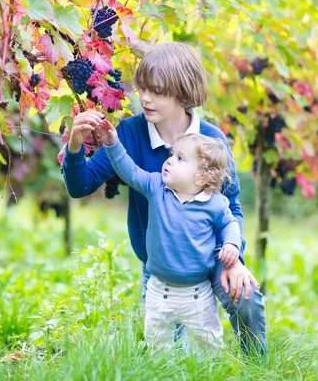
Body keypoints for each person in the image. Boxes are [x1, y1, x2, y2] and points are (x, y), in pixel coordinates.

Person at [62, 42, 266, 356]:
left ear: (183, 94)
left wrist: (235, 257)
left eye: (156, 91)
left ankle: (257, 368)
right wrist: (75, 145)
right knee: (166, 357)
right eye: (142, 88)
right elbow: (81, 185)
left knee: (247, 297)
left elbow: (232, 207)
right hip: (160, 266)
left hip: (209, 256)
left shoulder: (211, 140)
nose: (144, 98)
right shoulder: (130, 132)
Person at [99, 122, 241, 350]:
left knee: (210, 347)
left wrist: (232, 244)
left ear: (201, 176)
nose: (169, 160)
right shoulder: (156, 188)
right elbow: (130, 171)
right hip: (158, 291)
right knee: (157, 347)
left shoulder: (214, 203)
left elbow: (229, 223)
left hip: (198, 294)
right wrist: (112, 143)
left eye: (180, 159)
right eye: (172, 155)